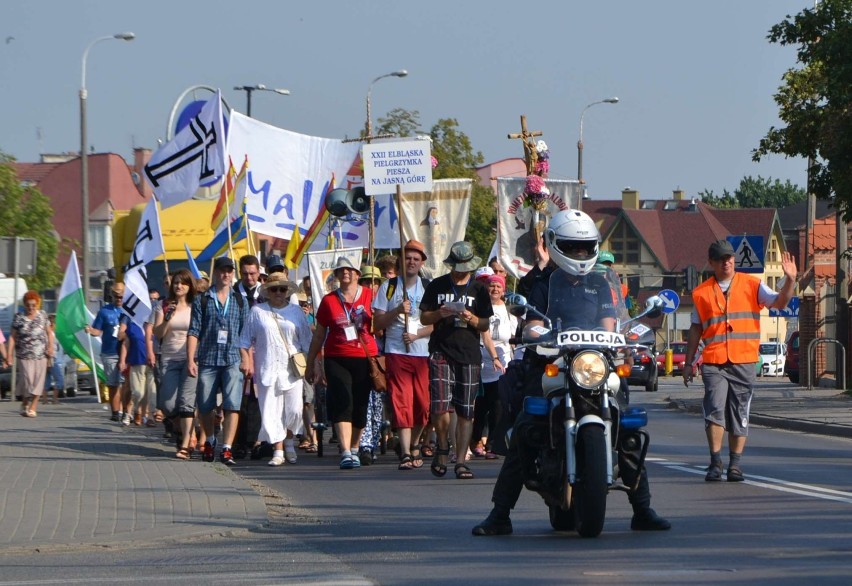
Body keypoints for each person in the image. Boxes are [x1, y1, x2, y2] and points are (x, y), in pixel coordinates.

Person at [473, 210, 670, 536]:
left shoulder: (601, 282)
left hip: (593, 362)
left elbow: (611, 321)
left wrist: (624, 339)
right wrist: (536, 332)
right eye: (571, 246)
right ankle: (499, 514)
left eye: (584, 247)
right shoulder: (541, 282)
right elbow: (532, 320)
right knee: (526, 428)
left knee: (627, 424)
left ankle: (643, 508)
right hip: (552, 362)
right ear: (554, 244)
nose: (579, 253)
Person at [683, 240, 797, 482]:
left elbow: (780, 303)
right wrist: (688, 362)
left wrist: (790, 280)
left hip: (743, 360)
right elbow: (695, 329)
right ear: (712, 262)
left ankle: (735, 465)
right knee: (714, 409)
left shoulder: (752, 285)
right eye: (721, 259)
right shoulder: (701, 293)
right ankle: (715, 463)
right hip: (714, 361)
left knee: (739, 412)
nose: (727, 262)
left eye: (730, 257)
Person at [420, 241, 493, 480]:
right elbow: (423, 317)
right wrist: (439, 313)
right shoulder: (437, 285)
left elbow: (485, 324)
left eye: (466, 267)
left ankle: (461, 461)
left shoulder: (480, 289)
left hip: (469, 353)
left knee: (466, 411)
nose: (462, 271)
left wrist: (471, 318)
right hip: (441, 350)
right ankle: (442, 445)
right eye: (458, 266)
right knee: (440, 405)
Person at [305, 256, 379, 470]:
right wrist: (312, 363)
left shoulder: (370, 297)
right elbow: (319, 335)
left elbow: (381, 325)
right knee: (343, 400)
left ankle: (355, 447)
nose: (345, 273)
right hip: (337, 357)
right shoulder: (329, 301)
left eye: (350, 270)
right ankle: (346, 451)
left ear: (357, 274)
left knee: (360, 404)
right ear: (336, 276)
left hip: (364, 357)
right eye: (341, 270)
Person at [373, 240, 434, 470]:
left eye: (416, 259)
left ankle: (416, 442)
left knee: (423, 404)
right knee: (402, 401)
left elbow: (437, 323)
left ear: (421, 263)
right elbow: (377, 322)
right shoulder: (388, 287)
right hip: (396, 351)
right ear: (401, 260)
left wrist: (418, 334)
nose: (411, 262)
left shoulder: (428, 287)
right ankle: (406, 452)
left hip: (421, 351)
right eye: (407, 258)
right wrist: (397, 310)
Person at [240, 273, 312, 466]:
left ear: (287, 291)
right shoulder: (257, 312)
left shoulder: (296, 312)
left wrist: (314, 366)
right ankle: (278, 449)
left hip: (292, 369)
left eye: (282, 289)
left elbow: (307, 341)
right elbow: (244, 339)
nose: (278, 292)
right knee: (271, 410)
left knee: (295, 410)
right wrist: (246, 360)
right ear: (267, 291)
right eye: (274, 289)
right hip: (268, 367)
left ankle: (289, 442)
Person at [187, 256, 248, 465]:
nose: (226, 274)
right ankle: (210, 440)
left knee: (232, 404)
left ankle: (227, 447)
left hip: (232, 358)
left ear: (233, 273)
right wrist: (190, 359)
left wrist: (247, 359)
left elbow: (245, 334)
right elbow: (194, 331)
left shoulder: (240, 300)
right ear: (215, 273)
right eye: (223, 270)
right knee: (205, 405)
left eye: (230, 270)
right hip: (208, 358)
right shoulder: (202, 299)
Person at [152, 269, 198, 459]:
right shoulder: (163, 306)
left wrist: (193, 358)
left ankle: (185, 446)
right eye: (176, 283)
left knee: (186, 403)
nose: (179, 286)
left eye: (183, 283)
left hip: (190, 360)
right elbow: (158, 333)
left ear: (189, 287)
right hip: (169, 359)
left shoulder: (195, 307)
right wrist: (167, 319)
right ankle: (184, 432)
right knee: (169, 405)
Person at [471, 273, 515, 459]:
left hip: (501, 362)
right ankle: (475, 440)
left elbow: (513, 337)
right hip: (482, 361)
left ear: (503, 290)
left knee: (498, 404)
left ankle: (492, 444)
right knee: (480, 405)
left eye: (498, 286)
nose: (495, 289)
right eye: (492, 286)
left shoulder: (510, 311)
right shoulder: (479, 307)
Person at [356, 265, 386, 465]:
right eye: (368, 281)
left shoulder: (384, 301)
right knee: (365, 401)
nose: (372, 286)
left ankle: (373, 442)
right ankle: (364, 445)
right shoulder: (359, 302)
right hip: (362, 355)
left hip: (382, 358)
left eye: (375, 282)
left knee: (378, 404)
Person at [85, 282, 126, 421]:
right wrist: (90, 330)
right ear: (112, 296)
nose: (119, 298)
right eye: (116, 296)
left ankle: (126, 411)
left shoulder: (130, 311)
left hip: (127, 352)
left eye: (121, 296)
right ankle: (115, 412)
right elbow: (97, 331)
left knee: (125, 383)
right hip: (110, 352)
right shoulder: (104, 311)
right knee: (113, 383)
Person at [9, 290, 53, 417]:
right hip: (24, 354)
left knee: (39, 381)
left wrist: (50, 347)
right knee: (28, 380)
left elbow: (49, 333)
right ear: (24, 304)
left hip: (41, 354)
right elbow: (12, 337)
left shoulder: (43, 315)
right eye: (28, 305)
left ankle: (33, 407)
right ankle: (25, 401)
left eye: (33, 305)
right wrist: (9, 354)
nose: (31, 308)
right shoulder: (19, 317)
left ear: (38, 304)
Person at [44, 314, 65, 404]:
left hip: (49, 357)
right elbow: (48, 345)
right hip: (51, 357)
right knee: (59, 379)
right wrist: (49, 357)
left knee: (47, 379)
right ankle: (54, 399)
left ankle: (45, 400)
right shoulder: (49, 333)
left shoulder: (53, 332)